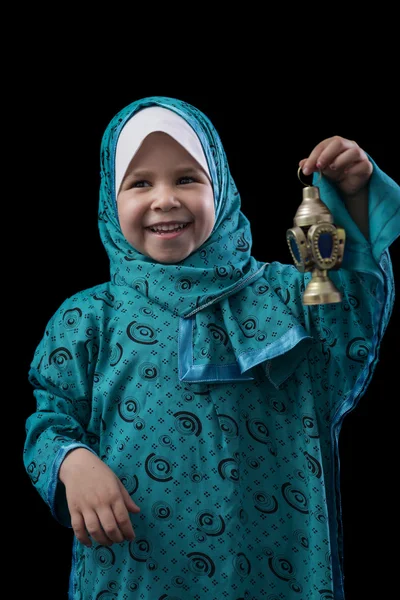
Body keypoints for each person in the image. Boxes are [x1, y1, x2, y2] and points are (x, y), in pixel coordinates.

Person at [23, 96, 399, 600]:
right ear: (110, 201)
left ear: (220, 187)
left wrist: (354, 197)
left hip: (271, 568)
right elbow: (50, 421)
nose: (164, 199)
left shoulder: (284, 298)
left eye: (186, 178)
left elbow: (349, 318)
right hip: (136, 571)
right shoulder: (89, 318)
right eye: (139, 183)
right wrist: (72, 462)